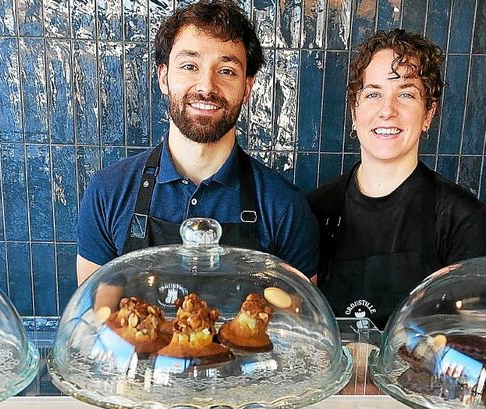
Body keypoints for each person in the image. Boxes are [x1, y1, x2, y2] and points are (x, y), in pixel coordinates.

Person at [77, 0, 318, 284]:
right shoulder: (108, 192)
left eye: (226, 70)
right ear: (164, 78)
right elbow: (97, 307)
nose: (206, 86)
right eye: (190, 66)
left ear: (246, 88)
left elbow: (300, 309)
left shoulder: (284, 206)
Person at [309, 29, 486, 331]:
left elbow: (477, 336)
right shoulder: (313, 211)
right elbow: (298, 324)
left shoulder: (464, 220)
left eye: (406, 94)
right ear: (354, 112)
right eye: (373, 94)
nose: (387, 110)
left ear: (428, 114)